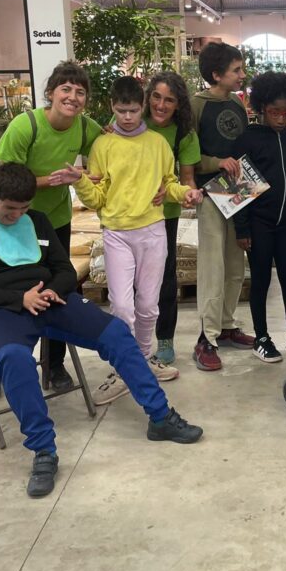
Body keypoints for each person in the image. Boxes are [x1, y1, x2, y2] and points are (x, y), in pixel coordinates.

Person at [0, 163, 203, 498]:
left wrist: (53, 290)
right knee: (15, 358)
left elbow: (65, 270)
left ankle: (160, 417)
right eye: (9, 209)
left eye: (24, 208)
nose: (17, 215)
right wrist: (19, 299)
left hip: (48, 300)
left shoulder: (38, 220)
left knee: (115, 333)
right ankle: (44, 451)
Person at [66, 76, 203, 399]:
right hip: (116, 234)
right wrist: (79, 181)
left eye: (133, 111)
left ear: (143, 107)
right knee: (122, 308)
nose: (127, 117)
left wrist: (186, 193)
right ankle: (124, 368)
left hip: (153, 232)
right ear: (111, 107)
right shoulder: (103, 145)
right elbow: (96, 198)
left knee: (149, 307)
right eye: (120, 111)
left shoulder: (157, 144)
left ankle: (140, 361)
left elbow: (169, 184)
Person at [0, 60, 104, 397]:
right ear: (51, 93)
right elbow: (4, 180)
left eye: (80, 92)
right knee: (11, 290)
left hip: (55, 222)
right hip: (15, 221)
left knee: (59, 289)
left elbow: (109, 154)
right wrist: (52, 180)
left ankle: (55, 364)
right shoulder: (26, 126)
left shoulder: (86, 128)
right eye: (66, 89)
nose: (73, 97)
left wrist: (87, 175)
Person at [232, 71, 286, 363]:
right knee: (261, 280)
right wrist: (242, 229)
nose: (282, 118)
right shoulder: (248, 139)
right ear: (261, 108)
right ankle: (262, 337)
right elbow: (240, 188)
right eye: (275, 112)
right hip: (259, 223)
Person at [191, 42, 253, 371]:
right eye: (236, 70)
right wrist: (216, 161)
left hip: (238, 190)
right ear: (216, 74)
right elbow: (186, 156)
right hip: (209, 192)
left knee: (234, 262)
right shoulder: (196, 105)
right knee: (212, 265)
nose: (242, 75)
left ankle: (227, 324)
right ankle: (207, 336)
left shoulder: (237, 103)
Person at [143, 71, 202, 367]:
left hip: (164, 215)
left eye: (169, 100)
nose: (161, 105)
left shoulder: (184, 134)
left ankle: (165, 340)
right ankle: (132, 342)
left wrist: (189, 194)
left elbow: (187, 178)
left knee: (166, 279)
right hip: (127, 217)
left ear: (179, 104)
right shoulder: (132, 122)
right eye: (156, 97)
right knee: (130, 282)